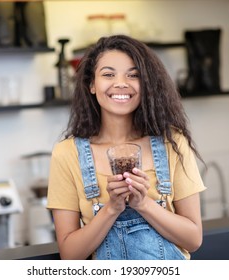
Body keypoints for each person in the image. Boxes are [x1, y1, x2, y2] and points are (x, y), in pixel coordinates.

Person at [46, 35, 206, 260]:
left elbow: (193, 239)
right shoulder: (66, 153)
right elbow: (70, 255)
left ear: (146, 84)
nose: (121, 83)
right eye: (108, 74)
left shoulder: (173, 143)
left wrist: (143, 204)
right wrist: (112, 208)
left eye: (133, 75)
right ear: (92, 84)